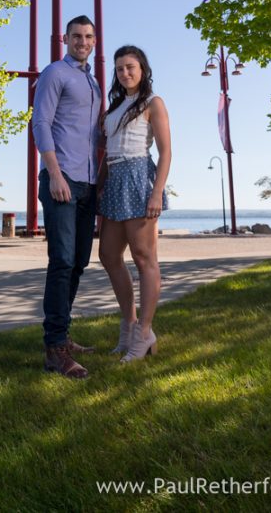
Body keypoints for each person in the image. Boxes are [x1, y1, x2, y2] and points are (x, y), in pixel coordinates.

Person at [32, 15, 101, 379]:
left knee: (78, 263)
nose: (83, 41)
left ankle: (63, 334)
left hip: (87, 185)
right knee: (60, 262)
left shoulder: (92, 81)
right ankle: (54, 348)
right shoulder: (54, 73)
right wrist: (55, 173)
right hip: (62, 180)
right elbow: (40, 123)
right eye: (77, 36)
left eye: (89, 36)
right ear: (65, 38)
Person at [98, 45, 171, 362]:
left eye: (130, 67)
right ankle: (128, 324)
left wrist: (157, 192)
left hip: (139, 176)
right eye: (119, 69)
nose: (124, 73)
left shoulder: (153, 103)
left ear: (142, 69)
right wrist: (99, 187)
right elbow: (105, 152)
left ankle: (144, 332)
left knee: (144, 258)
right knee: (108, 254)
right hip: (114, 179)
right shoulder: (114, 107)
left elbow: (166, 151)